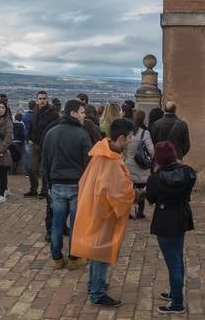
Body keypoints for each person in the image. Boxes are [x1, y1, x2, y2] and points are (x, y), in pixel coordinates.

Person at [73, 118, 136, 308]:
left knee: (95, 250)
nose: (132, 141)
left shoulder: (103, 153)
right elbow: (117, 193)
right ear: (122, 138)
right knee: (101, 252)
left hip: (93, 209)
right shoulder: (111, 161)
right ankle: (98, 293)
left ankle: (94, 284)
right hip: (103, 214)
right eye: (131, 137)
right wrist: (134, 195)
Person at [145, 141, 197, 314]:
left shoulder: (155, 179)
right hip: (181, 216)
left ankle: (177, 302)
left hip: (165, 219)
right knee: (178, 256)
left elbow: (150, 199)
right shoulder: (188, 173)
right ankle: (175, 292)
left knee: (173, 262)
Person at [42, 100, 93, 268]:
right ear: (72, 113)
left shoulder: (51, 132)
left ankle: (56, 257)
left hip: (56, 184)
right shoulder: (82, 134)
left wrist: (48, 185)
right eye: (82, 112)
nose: (84, 115)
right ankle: (73, 257)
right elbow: (88, 163)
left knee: (57, 222)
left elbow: (46, 162)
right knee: (76, 224)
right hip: (76, 185)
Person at [27, 91, 57, 197]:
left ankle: (45, 190)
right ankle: (33, 189)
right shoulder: (35, 111)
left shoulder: (53, 113)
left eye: (44, 98)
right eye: (40, 98)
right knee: (31, 168)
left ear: (47, 99)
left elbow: (55, 129)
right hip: (34, 143)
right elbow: (31, 125)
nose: (42, 100)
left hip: (46, 145)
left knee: (45, 169)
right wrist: (29, 138)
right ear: (37, 100)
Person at [125, 110, 154, 220]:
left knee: (128, 190)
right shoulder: (144, 133)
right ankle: (140, 211)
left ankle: (127, 211)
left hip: (128, 164)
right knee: (141, 190)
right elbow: (151, 150)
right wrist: (149, 159)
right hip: (141, 165)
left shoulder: (128, 132)